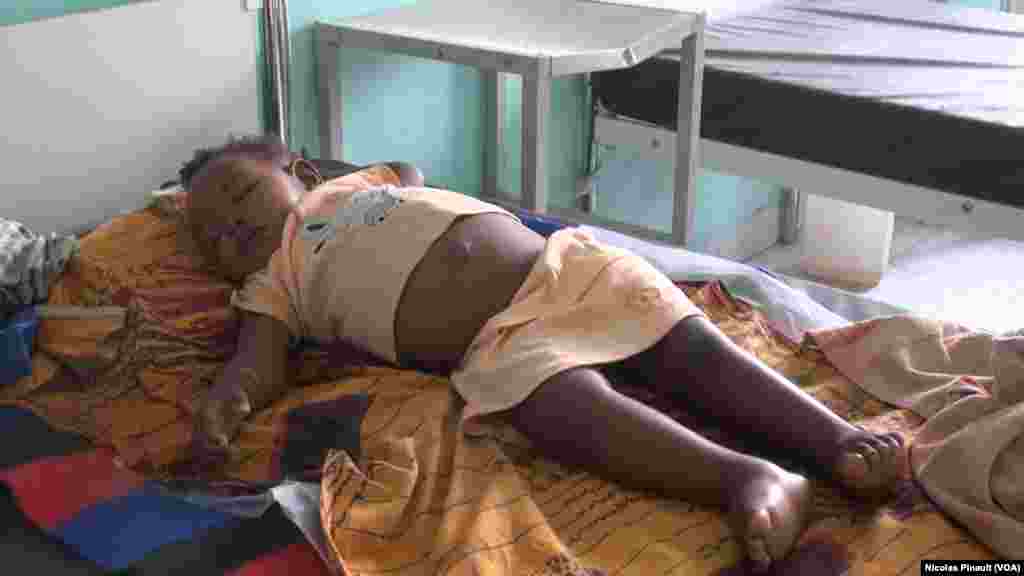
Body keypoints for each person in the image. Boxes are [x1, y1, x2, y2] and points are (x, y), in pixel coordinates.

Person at [184, 135, 904, 570]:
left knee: (689, 344)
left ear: (300, 171)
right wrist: (228, 401)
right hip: (499, 340)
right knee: (559, 410)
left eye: (244, 193)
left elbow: (406, 169)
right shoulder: (270, 282)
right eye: (209, 232)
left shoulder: (353, 186)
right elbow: (258, 360)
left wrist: (351, 174)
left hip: (565, 269)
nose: (233, 225)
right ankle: (748, 478)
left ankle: (835, 439)